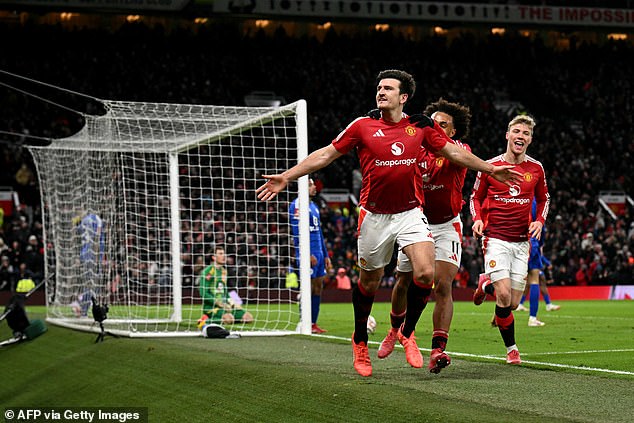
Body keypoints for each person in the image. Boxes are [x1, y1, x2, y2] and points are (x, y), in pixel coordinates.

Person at [257, 69, 521, 377]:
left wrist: (491, 170)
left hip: (410, 213)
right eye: (379, 87)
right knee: (369, 283)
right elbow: (326, 155)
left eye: (388, 88)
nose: (381, 92)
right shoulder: (362, 126)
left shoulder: (419, 127)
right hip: (374, 216)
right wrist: (287, 176)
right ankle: (359, 340)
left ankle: (407, 333)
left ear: (403, 97)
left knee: (426, 273)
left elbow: (452, 151)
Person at [375, 98, 472, 374]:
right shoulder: (415, 148)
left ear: (452, 132)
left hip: (446, 226)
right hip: (415, 222)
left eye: (443, 125)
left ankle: (438, 349)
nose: (436, 127)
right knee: (404, 280)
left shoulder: (458, 149)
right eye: (433, 123)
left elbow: (456, 153)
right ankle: (395, 330)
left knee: (442, 284)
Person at [471, 114, 550, 365]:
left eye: (525, 134)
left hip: (521, 242)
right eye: (517, 131)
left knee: (513, 304)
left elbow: (545, 198)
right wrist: (477, 219)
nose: (521, 136)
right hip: (495, 239)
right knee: (504, 297)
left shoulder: (536, 168)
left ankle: (487, 284)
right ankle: (512, 349)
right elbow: (474, 197)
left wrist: (540, 221)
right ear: (507, 135)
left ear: (530, 139)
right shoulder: (490, 166)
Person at [289, 177, 332, 334]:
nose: (314, 187)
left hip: (318, 253)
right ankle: (303, 322)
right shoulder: (297, 205)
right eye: (310, 185)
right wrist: (305, 254)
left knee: (318, 288)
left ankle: (313, 323)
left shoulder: (314, 206)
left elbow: (319, 233)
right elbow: (297, 232)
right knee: (307, 288)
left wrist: (325, 255)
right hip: (307, 253)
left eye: (313, 184)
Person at [515, 198, 560, 325]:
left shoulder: (515, 197)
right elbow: (541, 225)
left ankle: (501, 314)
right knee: (534, 279)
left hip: (514, 243)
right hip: (531, 242)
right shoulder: (535, 201)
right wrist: (539, 242)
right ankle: (532, 318)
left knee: (511, 279)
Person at [197, 246, 253, 328]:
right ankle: (205, 320)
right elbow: (203, 294)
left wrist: (234, 303)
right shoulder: (208, 271)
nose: (224, 256)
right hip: (212, 307)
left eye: (224, 254)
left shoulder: (224, 271)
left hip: (225, 306)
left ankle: (225, 316)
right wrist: (218, 303)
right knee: (229, 319)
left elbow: (225, 292)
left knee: (248, 318)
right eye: (220, 254)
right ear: (214, 257)